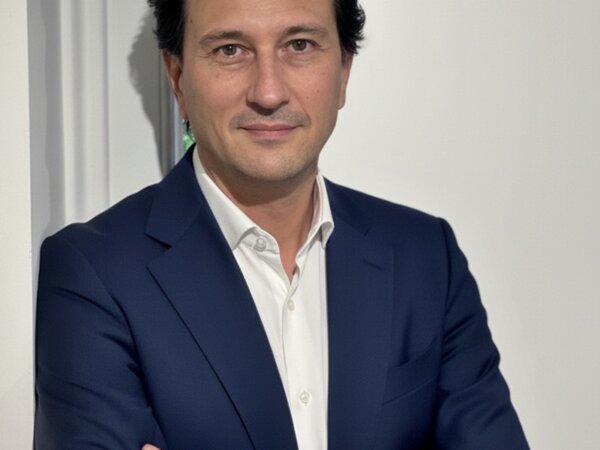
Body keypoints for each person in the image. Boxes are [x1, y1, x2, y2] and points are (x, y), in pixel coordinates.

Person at [34, 0, 529, 448]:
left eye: (300, 45)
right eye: (230, 50)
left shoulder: (425, 256)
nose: (268, 92)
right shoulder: (94, 274)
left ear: (344, 71)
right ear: (178, 77)